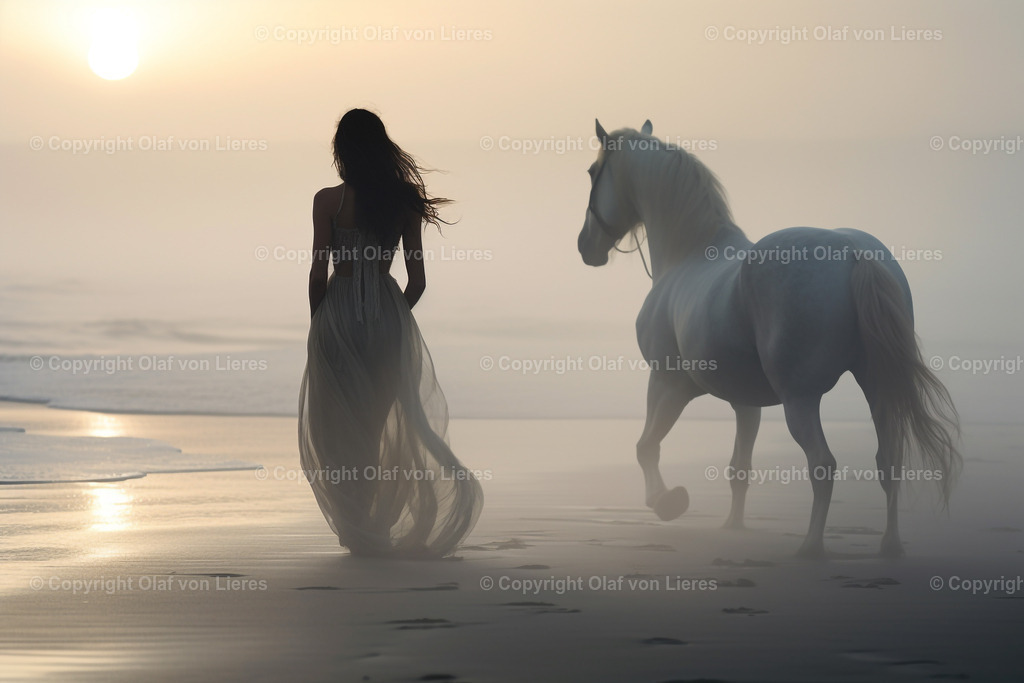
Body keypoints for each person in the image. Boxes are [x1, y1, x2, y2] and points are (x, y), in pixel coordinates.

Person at [298, 109, 482, 557]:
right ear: (383, 148)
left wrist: (318, 322)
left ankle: (355, 524)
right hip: (385, 317)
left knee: (336, 427)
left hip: (336, 316)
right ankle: (370, 524)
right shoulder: (403, 201)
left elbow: (318, 271)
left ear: (342, 150)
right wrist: (392, 314)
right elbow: (417, 281)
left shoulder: (327, 200)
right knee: (376, 425)